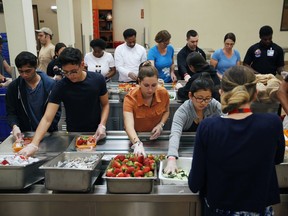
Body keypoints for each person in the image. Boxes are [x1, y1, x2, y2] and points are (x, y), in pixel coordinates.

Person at [188, 65, 285, 215]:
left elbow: (195, 184)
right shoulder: (272, 123)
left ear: (221, 93)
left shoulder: (208, 127)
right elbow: (277, 158)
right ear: (256, 93)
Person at [18, 47, 109, 157]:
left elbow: (105, 104)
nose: (70, 76)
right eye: (66, 72)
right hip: (73, 134)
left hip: (97, 132)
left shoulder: (97, 80)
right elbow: (47, 118)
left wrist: (102, 125)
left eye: (74, 71)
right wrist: (34, 144)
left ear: (82, 64)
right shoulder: (61, 86)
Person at [164, 75, 222, 174]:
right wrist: (172, 158)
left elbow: (227, 117)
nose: (203, 102)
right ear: (191, 95)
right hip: (185, 147)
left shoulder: (213, 104)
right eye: (199, 98)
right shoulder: (183, 111)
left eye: (207, 98)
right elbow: (175, 134)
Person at [5, 51, 61, 141]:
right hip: (26, 136)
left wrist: (44, 131)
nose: (24, 75)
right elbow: (11, 112)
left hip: (48, 135)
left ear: (36, 67)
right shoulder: (14, 87)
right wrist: (15, 126)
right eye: (21, 71)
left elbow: (56, 113)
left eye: (28, 71)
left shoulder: (51, 85)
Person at [123, 61, 170, 157]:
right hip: (135, 137)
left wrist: (161, 125)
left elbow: (166, 111)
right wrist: (137, 144)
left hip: (156, 139)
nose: (150, 90)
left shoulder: (163, 93)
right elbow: (129, 126)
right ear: (139, 82)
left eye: (154, 85)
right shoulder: (130, 98)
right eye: (146, 85)